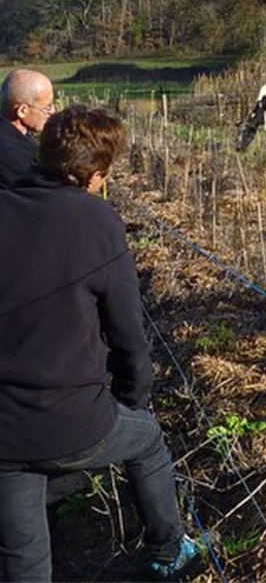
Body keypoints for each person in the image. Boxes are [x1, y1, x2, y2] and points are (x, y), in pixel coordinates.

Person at [0, 106, 202, 581]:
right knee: (147, 438)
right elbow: (127, 332)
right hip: (75, 422)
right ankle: (168, 551)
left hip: (3, 428)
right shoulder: (96, 221)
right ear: (95, 174)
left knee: (24, 555)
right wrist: (133, 400)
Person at [0, 69, 54, 189]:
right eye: (47, 107)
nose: (52, 112)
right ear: (22, 111)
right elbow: (40, 191)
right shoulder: (11, 154)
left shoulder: (17, 137)